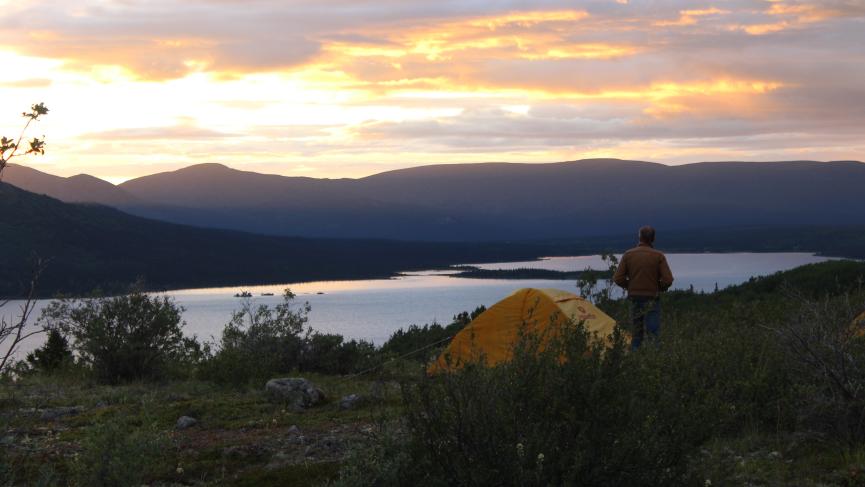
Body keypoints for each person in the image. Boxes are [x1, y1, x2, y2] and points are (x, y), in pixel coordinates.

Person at [613, 226, 674, 350]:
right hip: (652, 299)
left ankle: (635, 362)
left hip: (634, 298)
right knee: (653, 334)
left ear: (639, 237)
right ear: (653, 239)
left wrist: (630, 286)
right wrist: (658, 288)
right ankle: (654, 363)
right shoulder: (658, 256)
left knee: (636, 335)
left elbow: (618, 278)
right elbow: (668, 280)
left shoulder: (628, 255)